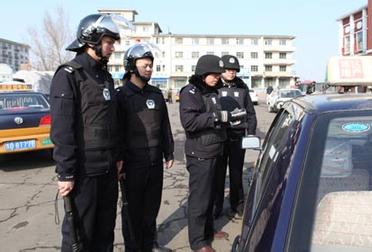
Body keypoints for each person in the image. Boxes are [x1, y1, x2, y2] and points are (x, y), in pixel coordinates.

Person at [50, 14, 123, 251]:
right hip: (84, 172)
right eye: (108, 42)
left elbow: (113, 122)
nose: (112, 48)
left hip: (108, 168)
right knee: (80, 236)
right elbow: (62, 129)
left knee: (105, 232)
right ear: (91, 40)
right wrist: (65, 173)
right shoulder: (69, 75)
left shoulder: (105, 77)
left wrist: (118, 157)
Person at [179, 55, 246, 252]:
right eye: (213, 74)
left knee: (210, 198)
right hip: (200, 153)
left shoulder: (213, 92)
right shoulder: (190, 92)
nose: (217, 77)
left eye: (219, 74)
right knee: (200, 200)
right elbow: (190, 122)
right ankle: (198, 242)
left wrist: (230, 119)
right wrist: (217, 116)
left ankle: (208, 232)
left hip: (215, 150)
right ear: (202, 73)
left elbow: (215, 119)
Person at [117, 43, 174, 252]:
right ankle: (134, 248)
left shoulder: (156, 94)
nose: (149, 69)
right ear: (132, 66)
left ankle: (150, 245)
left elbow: (164, 125)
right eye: (145, 65)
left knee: (151, 207)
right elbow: (117, 132)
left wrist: (168, 151)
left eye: (151, 65)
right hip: (132, 164)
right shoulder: (121, 96)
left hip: (154, 160)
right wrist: (119, 161)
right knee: (132, 211)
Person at [214, 55, 257, 218]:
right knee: (218, 173)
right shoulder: (214, 86)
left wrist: (251, 133)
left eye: (233, 70)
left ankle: (237, 204)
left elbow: (251, 112)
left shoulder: (242, 87)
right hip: (219, 134)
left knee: (236, 172)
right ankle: (216, 206)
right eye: (227, 70)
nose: (231, 73)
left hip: (238, 135)